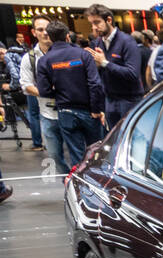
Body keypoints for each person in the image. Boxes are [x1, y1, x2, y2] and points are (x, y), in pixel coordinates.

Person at [36, 20, 104, 173]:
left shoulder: (44, 60)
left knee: (77, 156)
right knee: (96, 153)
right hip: (89, 111)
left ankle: (80, 189)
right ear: (68, 36)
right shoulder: (83, 54)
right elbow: (95, 84)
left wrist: (59, 92)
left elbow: (43, 91)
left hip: (65, 111)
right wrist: (96, 109)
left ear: (51, 38)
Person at [87, 4, 142, 131]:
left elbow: (132, 74)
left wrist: (105, 63)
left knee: (133, 138)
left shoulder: (127, 41)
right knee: (114, 140)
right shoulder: (98, 43)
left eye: (97, 22)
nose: (94, 27)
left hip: (129, 100)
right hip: (109, 100)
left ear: (109, 20)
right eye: (91, 23)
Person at [20, 16, 52, 152]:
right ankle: (37, 142)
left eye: (48, 29)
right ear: (34, 32)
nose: (45, 32)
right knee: (55, 155)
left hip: (72, 111)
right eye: (40, 29)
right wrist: (49, 93)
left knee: (79, 154)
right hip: (47, 112)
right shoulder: (29, 58)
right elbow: (26, 85)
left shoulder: (67, 52)